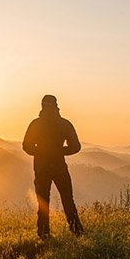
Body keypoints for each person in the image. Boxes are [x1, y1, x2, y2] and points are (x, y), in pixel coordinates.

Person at [22, 94, 84, 239]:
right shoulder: (64, 124)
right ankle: (77, 231)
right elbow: (75, 147)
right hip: (59, 166)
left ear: (42, 106)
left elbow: (26, 146)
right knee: (68, 199)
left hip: (41, 167)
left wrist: (42, 152)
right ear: (56, 106)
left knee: (43, 201)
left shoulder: (36, 124)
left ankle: (44, 234)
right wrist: (59, 151)